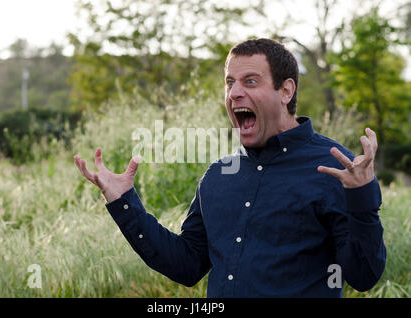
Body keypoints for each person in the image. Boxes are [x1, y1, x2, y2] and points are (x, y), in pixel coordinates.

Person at [74, 38, 386, 297]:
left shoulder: (336, 167)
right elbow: (187, 265)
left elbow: (363, 276)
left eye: (250, 81)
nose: (234, 92)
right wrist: (124, 202)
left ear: (286, 91)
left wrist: (362, 196)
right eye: (229, 82)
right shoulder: (219, 175)